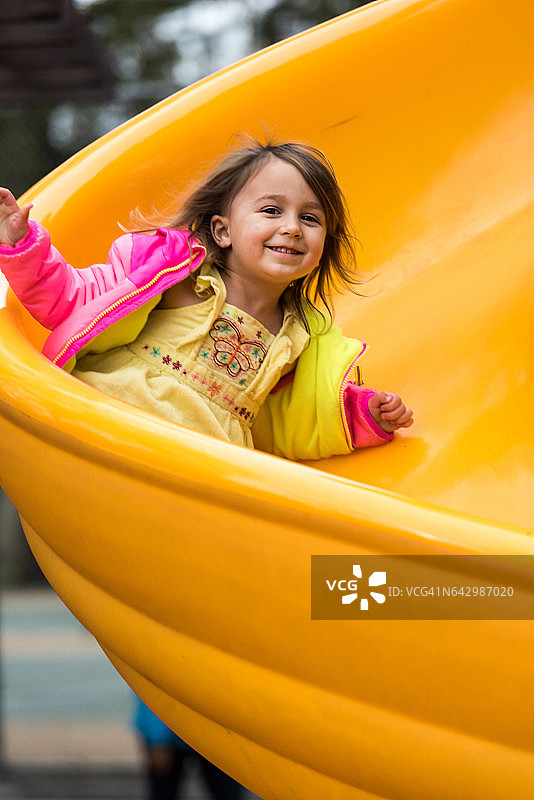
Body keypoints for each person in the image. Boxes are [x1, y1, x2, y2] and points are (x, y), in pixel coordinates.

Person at [0, 138, 412, 462]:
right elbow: (70, 301)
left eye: (310, 218)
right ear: (223, 230)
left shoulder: (300, 335)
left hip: (204, 459)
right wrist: (22, 245)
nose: (291, 228)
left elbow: (291, 419)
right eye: (271, 210)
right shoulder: (173, 276)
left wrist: (361, 413)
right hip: (110, 421)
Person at [133, 696, 244, 800]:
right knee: (163, 792)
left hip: (215, 734)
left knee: (228, 793)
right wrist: (157, 738)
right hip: (173, 735)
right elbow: (153, 689)